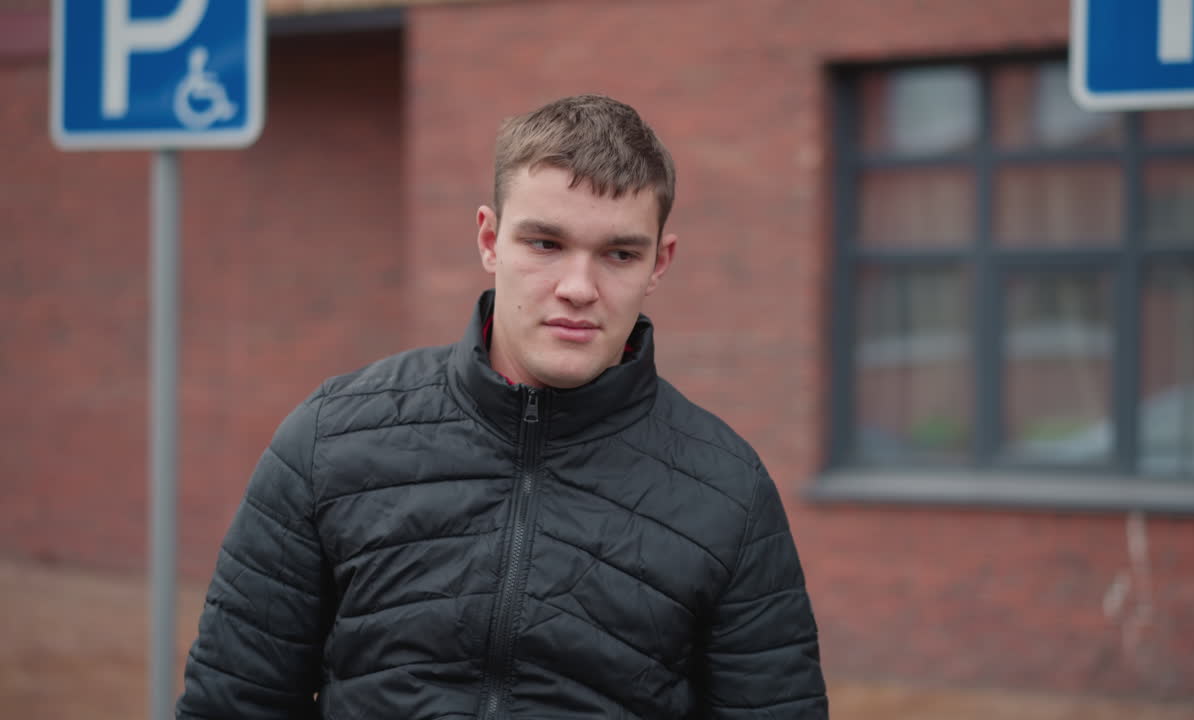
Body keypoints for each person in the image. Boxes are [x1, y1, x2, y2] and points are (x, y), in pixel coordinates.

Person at [176, 94, 827, 719]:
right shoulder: (327, 441)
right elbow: (234, 703)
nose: (578, 288)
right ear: (489, 240)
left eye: (619, 253)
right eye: (545, 243)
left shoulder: (729, 494)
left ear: (660, 262)